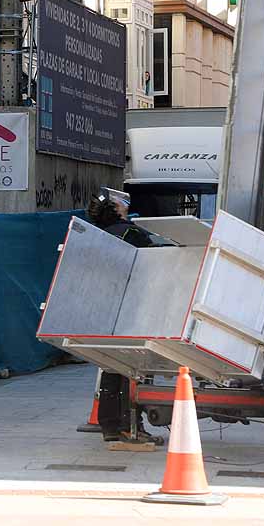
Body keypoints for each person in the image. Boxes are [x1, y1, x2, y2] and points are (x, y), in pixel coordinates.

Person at [85, 187, 165, 450]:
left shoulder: (96, 235)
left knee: (111, 366)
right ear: (116, 207)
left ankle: (110, 425)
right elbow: (158, 255)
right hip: (132, 308)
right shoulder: (130, 233)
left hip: (106, 308)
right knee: (133, 369)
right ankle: (130, 426)